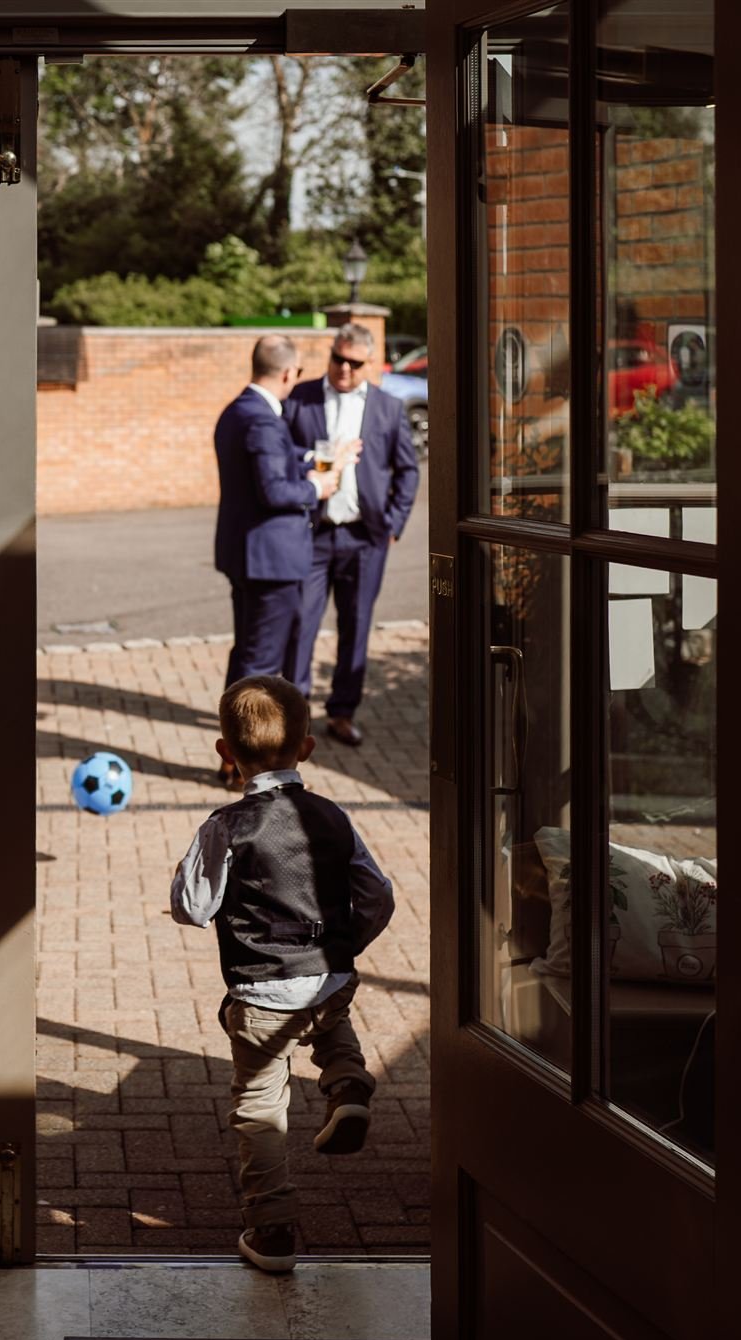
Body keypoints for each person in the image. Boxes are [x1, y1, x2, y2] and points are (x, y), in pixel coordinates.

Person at [170, 673, 397, 1273]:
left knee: (260, 1107)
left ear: (225, 753)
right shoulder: (333, 817)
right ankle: (347, 1081)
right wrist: (347, 945)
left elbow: (191, 908)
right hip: (328, 977)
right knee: (328, 1018)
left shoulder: (226, 826)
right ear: (307, 748)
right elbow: (378, 895)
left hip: (260, 989)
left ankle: (271, 1230)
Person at [212, 335, 344, 788]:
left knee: (246, 652)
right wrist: (318, 489)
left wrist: (313, 459)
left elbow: (276, 461)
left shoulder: (238, 410)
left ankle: (233, 755)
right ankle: (247, 765)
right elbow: (274, 491)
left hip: (246, 554)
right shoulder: (263, 421)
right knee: (262, 664)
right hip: (270, 561)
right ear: (288, 373)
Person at [284, 322, 422, 747]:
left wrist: (395, 524)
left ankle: (342, 712)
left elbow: (408, 470)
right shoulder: (300, 399)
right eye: (337, 358)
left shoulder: (388, 408)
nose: (343, 368)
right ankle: (294, 717)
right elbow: (284, 456)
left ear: (369, 364)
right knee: (300, 626)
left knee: (356, 626)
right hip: (313, 535)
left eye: (354, 362)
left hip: (365, 538)